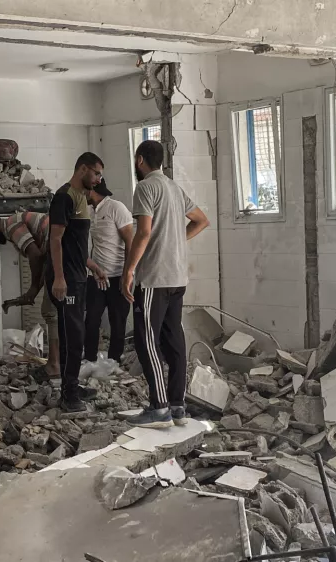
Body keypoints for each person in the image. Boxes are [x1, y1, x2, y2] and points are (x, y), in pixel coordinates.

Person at [122, 140, 210, 429]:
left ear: (139, 161)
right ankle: (177, 404)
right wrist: (175, 241)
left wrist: (129, 270)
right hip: (177, 278)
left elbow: (144, 232)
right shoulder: (173, 187)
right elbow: (201, 221)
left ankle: (159, 407)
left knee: (146, 338)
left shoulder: (146, 188)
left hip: (155, 278)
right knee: (174, 340)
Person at [47, 152, 107, 412]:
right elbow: (56, 240)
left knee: (75, 334)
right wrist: (59, 278)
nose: (98, 179)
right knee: (73, 336)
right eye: (96, 173)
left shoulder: (81, 197)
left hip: (78, 276)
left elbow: (75, 245)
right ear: (82, 169)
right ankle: (68, 395)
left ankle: (71, 386)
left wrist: (92, 266)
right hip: (66, 280)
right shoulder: (64, 197)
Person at [0, 211, 61, 381]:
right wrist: (33, 291)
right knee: (56, 311)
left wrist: (33, 288)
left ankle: (54, 365)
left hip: (61, 255)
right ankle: (60, 362)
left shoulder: (12, 226)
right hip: (59, 256)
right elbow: (44, 260)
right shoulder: (17, 224)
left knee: (51, 313)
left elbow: (35, 255)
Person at [84, 178, 133, 364]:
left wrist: (127, 275)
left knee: (118, 322)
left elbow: (130, 242)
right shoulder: (90, 211)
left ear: (92, 189)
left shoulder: (116, 208)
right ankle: (89, 359)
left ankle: (114, 362)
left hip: (118, 275)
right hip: (96, 277)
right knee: (91, 321)